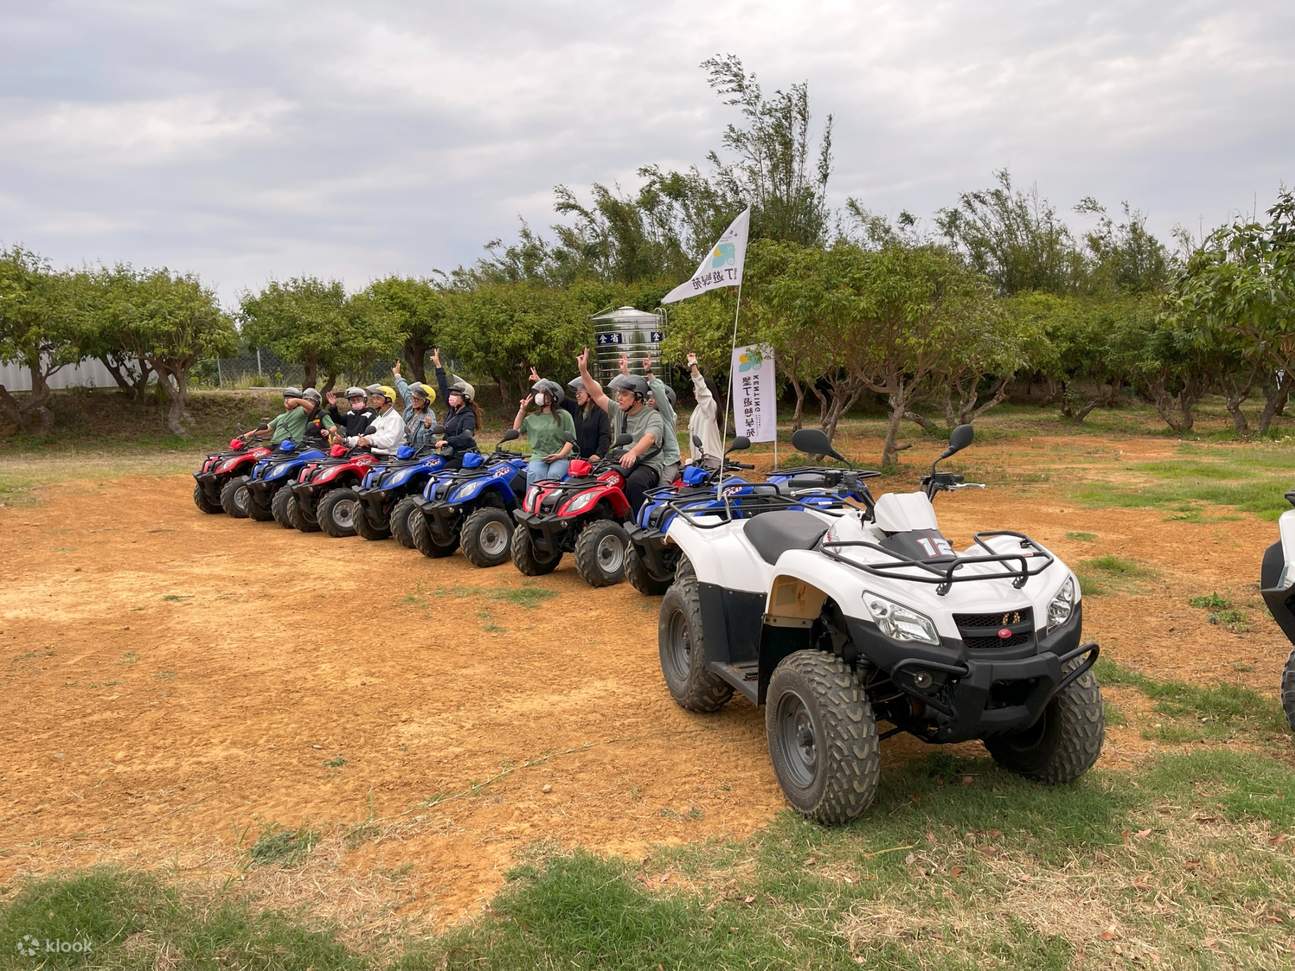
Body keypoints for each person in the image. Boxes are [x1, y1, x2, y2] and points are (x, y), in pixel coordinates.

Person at [575, 347, 667, 514]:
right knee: (595, 478)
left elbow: (650, 437)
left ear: (638, 397)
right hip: (620, 461)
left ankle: (640, 524)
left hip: (647, 464)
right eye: (618, 393)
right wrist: (584, 371)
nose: (619, 397)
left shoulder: (653, 416)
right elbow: (597, 395)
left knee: (635, 482)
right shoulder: (618, 410)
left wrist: (633, 452)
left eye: (624, 394)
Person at [531, 364, 610, 462]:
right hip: (575, 458)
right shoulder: (576, 408)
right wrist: (540, 382)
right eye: (576, 393)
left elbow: (605, 436)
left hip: (594, 461)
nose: (577, 395)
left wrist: (598, 455)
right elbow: (559, 397)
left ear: (590, 394)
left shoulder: (601, 413)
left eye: (580, 393)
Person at [514, 377, 576, 485]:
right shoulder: (532, 418)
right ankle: (532, 501)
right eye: (539, 393)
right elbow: (516, 431)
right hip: (539, 457)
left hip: (560, 457)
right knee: (535, 476)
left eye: (544, 393)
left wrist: (560, 455)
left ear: (552, 397)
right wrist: (522, 410)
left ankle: (551, 501)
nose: (540, 395)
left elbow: (570, 440)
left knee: (553, 476)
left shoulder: (564, 416)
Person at [638, 355, 681, 486]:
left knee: (662, 485)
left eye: (654, 397)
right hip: (652, 460)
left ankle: (665, 506)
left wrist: (649, 372)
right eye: (648, 397)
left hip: (669, 461)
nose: (650, 399)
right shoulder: (647, 416)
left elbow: (660, 394)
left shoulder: (668, 414)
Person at [431, 347, 480, 456]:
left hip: (463, 455)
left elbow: (466, 436)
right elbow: (443, 388)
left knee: (441, 471)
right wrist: (438, 366)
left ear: (466, 398)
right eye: (451, 393)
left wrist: (447, 441)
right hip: (449, 453)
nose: (451, 396)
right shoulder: (452, 411)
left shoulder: (468, 416)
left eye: (455, 394)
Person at [330, 386, 404, 456]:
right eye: (373, 398)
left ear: (389, 402)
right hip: (378, 455)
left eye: (378, 399)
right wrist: (345, 440)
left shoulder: (394, 418)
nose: (374, 401)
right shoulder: (380, 418)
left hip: (391, 458)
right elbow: (365, 436)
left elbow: (389, 440)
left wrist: (369, 441)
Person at [245, 387, 333, 445]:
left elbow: (311, 407)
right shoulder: (280, 417)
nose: (287, 400)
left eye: (290, 398)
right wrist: (246, 435)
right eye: (286, 398)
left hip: (289, 448)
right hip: (275, 446)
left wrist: (297, 400)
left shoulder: (301, 412)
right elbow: (267, 428)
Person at [685, 352, 722, 464]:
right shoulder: (699, 408)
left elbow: (701, 388)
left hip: (710, 458)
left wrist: (693, 365)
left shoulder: (710, 405)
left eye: (695, 388)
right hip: (699, 458)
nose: (694, 391)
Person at [391, 360, 438, 449]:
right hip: (405, 449)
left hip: (420, 453)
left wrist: (427, 428)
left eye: (417, 399)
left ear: (426, 402)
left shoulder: (429, 416)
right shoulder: (411, 405)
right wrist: (397, 375)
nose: (413, 400)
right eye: (413, 397)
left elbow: (430, 441)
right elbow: (405, 390)